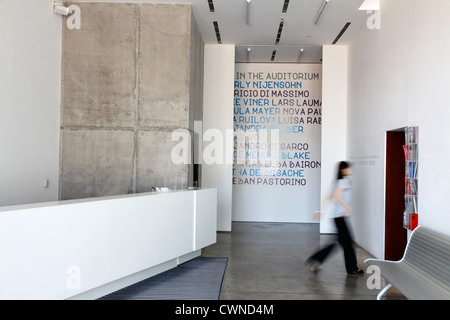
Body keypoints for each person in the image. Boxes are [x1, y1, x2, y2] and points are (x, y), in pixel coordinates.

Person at [305, 161, 364, 275]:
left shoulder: (337, 182)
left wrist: (320, 211)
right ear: (343, 170)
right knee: (347, 245)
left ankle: (316, 259)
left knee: (341, 243)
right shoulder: (344, 181)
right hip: (340, 217)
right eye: (348, 168)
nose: (350, 170)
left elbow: (328, 197)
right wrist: (347, 208)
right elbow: (336, 197)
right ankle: (352, 269)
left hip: (337, 218)